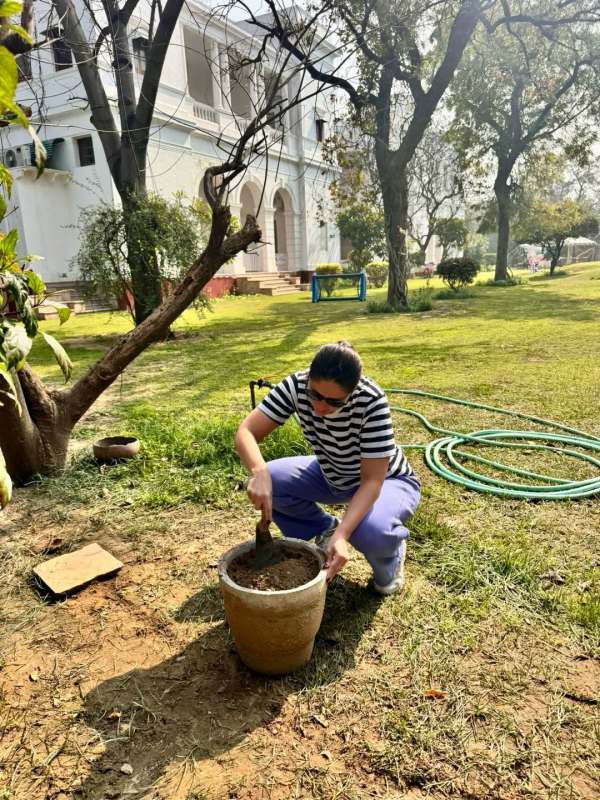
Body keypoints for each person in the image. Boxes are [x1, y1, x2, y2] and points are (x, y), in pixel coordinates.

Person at [234, 342, 420, 594]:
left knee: (370, 533)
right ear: (309, 379)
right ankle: (323, 531)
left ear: (352, 391)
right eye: (315, 395)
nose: (320, 407)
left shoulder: (371, 400)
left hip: (387, 480)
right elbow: (246, 431)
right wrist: (259, 472)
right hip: (331, 472)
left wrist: (344, 534)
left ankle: (391, 558)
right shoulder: (296, 385)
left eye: (334, 402)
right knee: (273, 480)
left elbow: (372, 481)